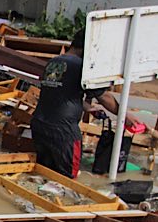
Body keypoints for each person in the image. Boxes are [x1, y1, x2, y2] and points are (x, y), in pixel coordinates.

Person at [31, 29, 136, 178]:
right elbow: (104, 96)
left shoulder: (54, 62)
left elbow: (58, 92)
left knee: (44, 175)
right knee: (67, 180)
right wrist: (125, 114)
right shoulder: (82, 67)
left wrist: (86, 107)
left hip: (40, 125)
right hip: (64, 132)